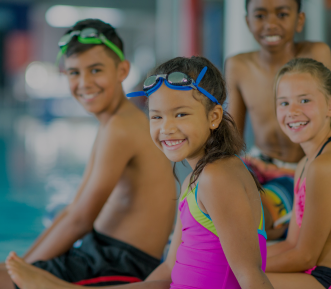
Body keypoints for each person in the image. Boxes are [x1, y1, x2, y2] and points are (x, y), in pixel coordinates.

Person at [6, 56, 274, 289]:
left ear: (214, 116)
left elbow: (250, 275)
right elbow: (169, 269)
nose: (166, 128)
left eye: (181, 114)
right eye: (156, 116)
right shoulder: (196, 179)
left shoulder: (218, 177)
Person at [0, 19, 177, 289]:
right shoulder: (117, 120)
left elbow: (80, 219)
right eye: (73, 73)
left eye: (95, 70)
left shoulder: (121, 128)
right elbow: (73, 211)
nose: (84, 83)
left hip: (119, 264)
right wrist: (24, 263)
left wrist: (22, 272)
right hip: (102, 252)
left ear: (122, 70)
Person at [225, 0, 331, 240]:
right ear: (247, 21)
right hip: (257, 162)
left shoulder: (316, 53)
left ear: (299, 20)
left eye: (282, 14)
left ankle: (280, 231)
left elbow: (325, 111)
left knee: (255, 212)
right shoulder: (238, 65)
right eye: (260, 15)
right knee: (212, 198)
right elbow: (232, 134)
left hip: (299, 169)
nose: (270, 24)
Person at [265, 58, 331, 289]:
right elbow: (292, 243)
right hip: (311, 272)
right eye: (283, 103)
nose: (292, 111)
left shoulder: (325, 166)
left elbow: (305, 257)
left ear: (330, 105)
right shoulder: (305, 163)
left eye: (304, 100)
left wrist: (242, 266)